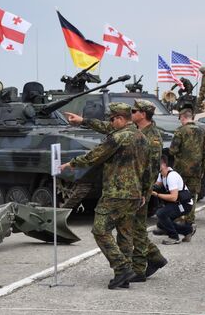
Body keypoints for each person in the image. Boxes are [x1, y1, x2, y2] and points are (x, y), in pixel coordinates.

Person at [61, 103, 150, 289]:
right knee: (125, 234)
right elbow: (147, 169)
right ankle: (122, 277)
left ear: (119, 118)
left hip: (116, 193)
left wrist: (72, 163)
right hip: (133, 194)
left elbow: (95, 156)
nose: (110, 123)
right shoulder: (141, 137)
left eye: (112, 119)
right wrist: (144, 192)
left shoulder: (118, 138)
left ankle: (122, 267)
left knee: (100, 230)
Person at [129, 99, 168, 282]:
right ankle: (155, 257)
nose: (131, 112)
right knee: (133, 228)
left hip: (139, 191)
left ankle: (138, 269)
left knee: (136, 229)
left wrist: (144, 194)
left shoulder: (152, 138)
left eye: (134, 110)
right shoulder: (136, 130)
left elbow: (152, 170)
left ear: (143, 114)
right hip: (130, 187)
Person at [169, 108, 205, 224]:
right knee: (192, 195)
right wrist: (202, 169)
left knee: (179, 194)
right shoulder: (202, 131)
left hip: (181, 169)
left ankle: (179, 217)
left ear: (183, 117)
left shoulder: (180, 131)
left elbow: (172, 150)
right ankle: (190, 218)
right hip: (196, 169)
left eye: (180, 118)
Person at [152, 155, 195, 244]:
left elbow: (173, 197)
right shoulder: (161, 174)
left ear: (163, 165)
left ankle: (174, 237)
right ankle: (188, 230)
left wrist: (157, 195)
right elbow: (157, 185)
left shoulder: (172, 176)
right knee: (161, 224)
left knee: (161, 213)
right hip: (177, 203)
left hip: (184, 204)